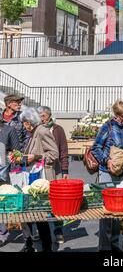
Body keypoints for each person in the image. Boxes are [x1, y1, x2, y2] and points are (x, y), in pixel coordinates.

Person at [91, 100, 123, 251]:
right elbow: (96, 148)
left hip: (122, 174)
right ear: (116, 115)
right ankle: (104, 247)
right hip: (107, 172)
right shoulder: (108, 127)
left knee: (120, 210)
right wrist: (106, 160)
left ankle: (115, 244)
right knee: (107, 211)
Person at [20, 107, 59, 252]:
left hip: (42, 177)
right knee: (33, 213)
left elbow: (54, 153)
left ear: (30, 121)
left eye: (24, 122)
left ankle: (47, 247)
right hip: (34, 175)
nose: (23, 125)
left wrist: (36, 157)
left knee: (41, 214)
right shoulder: (33, 132)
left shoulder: (42, 131)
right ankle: (36, 245)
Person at [38, 106, 69, 245]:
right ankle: (41, 229)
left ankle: (58, 231)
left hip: (55, 169)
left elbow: (63, 150)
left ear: (49, 116)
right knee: (41, 197)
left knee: (57, 200)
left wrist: (65, 170)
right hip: (40, 168)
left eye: (43, 116)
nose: (41, 118)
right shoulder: (37, 129)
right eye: (39, 116)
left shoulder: (58, 129)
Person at [0, 118, 20, 247]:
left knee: (3, 202)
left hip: (3, 172)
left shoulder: (9, 129)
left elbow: (17, 150)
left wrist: (10, 158)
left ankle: (2, 233)